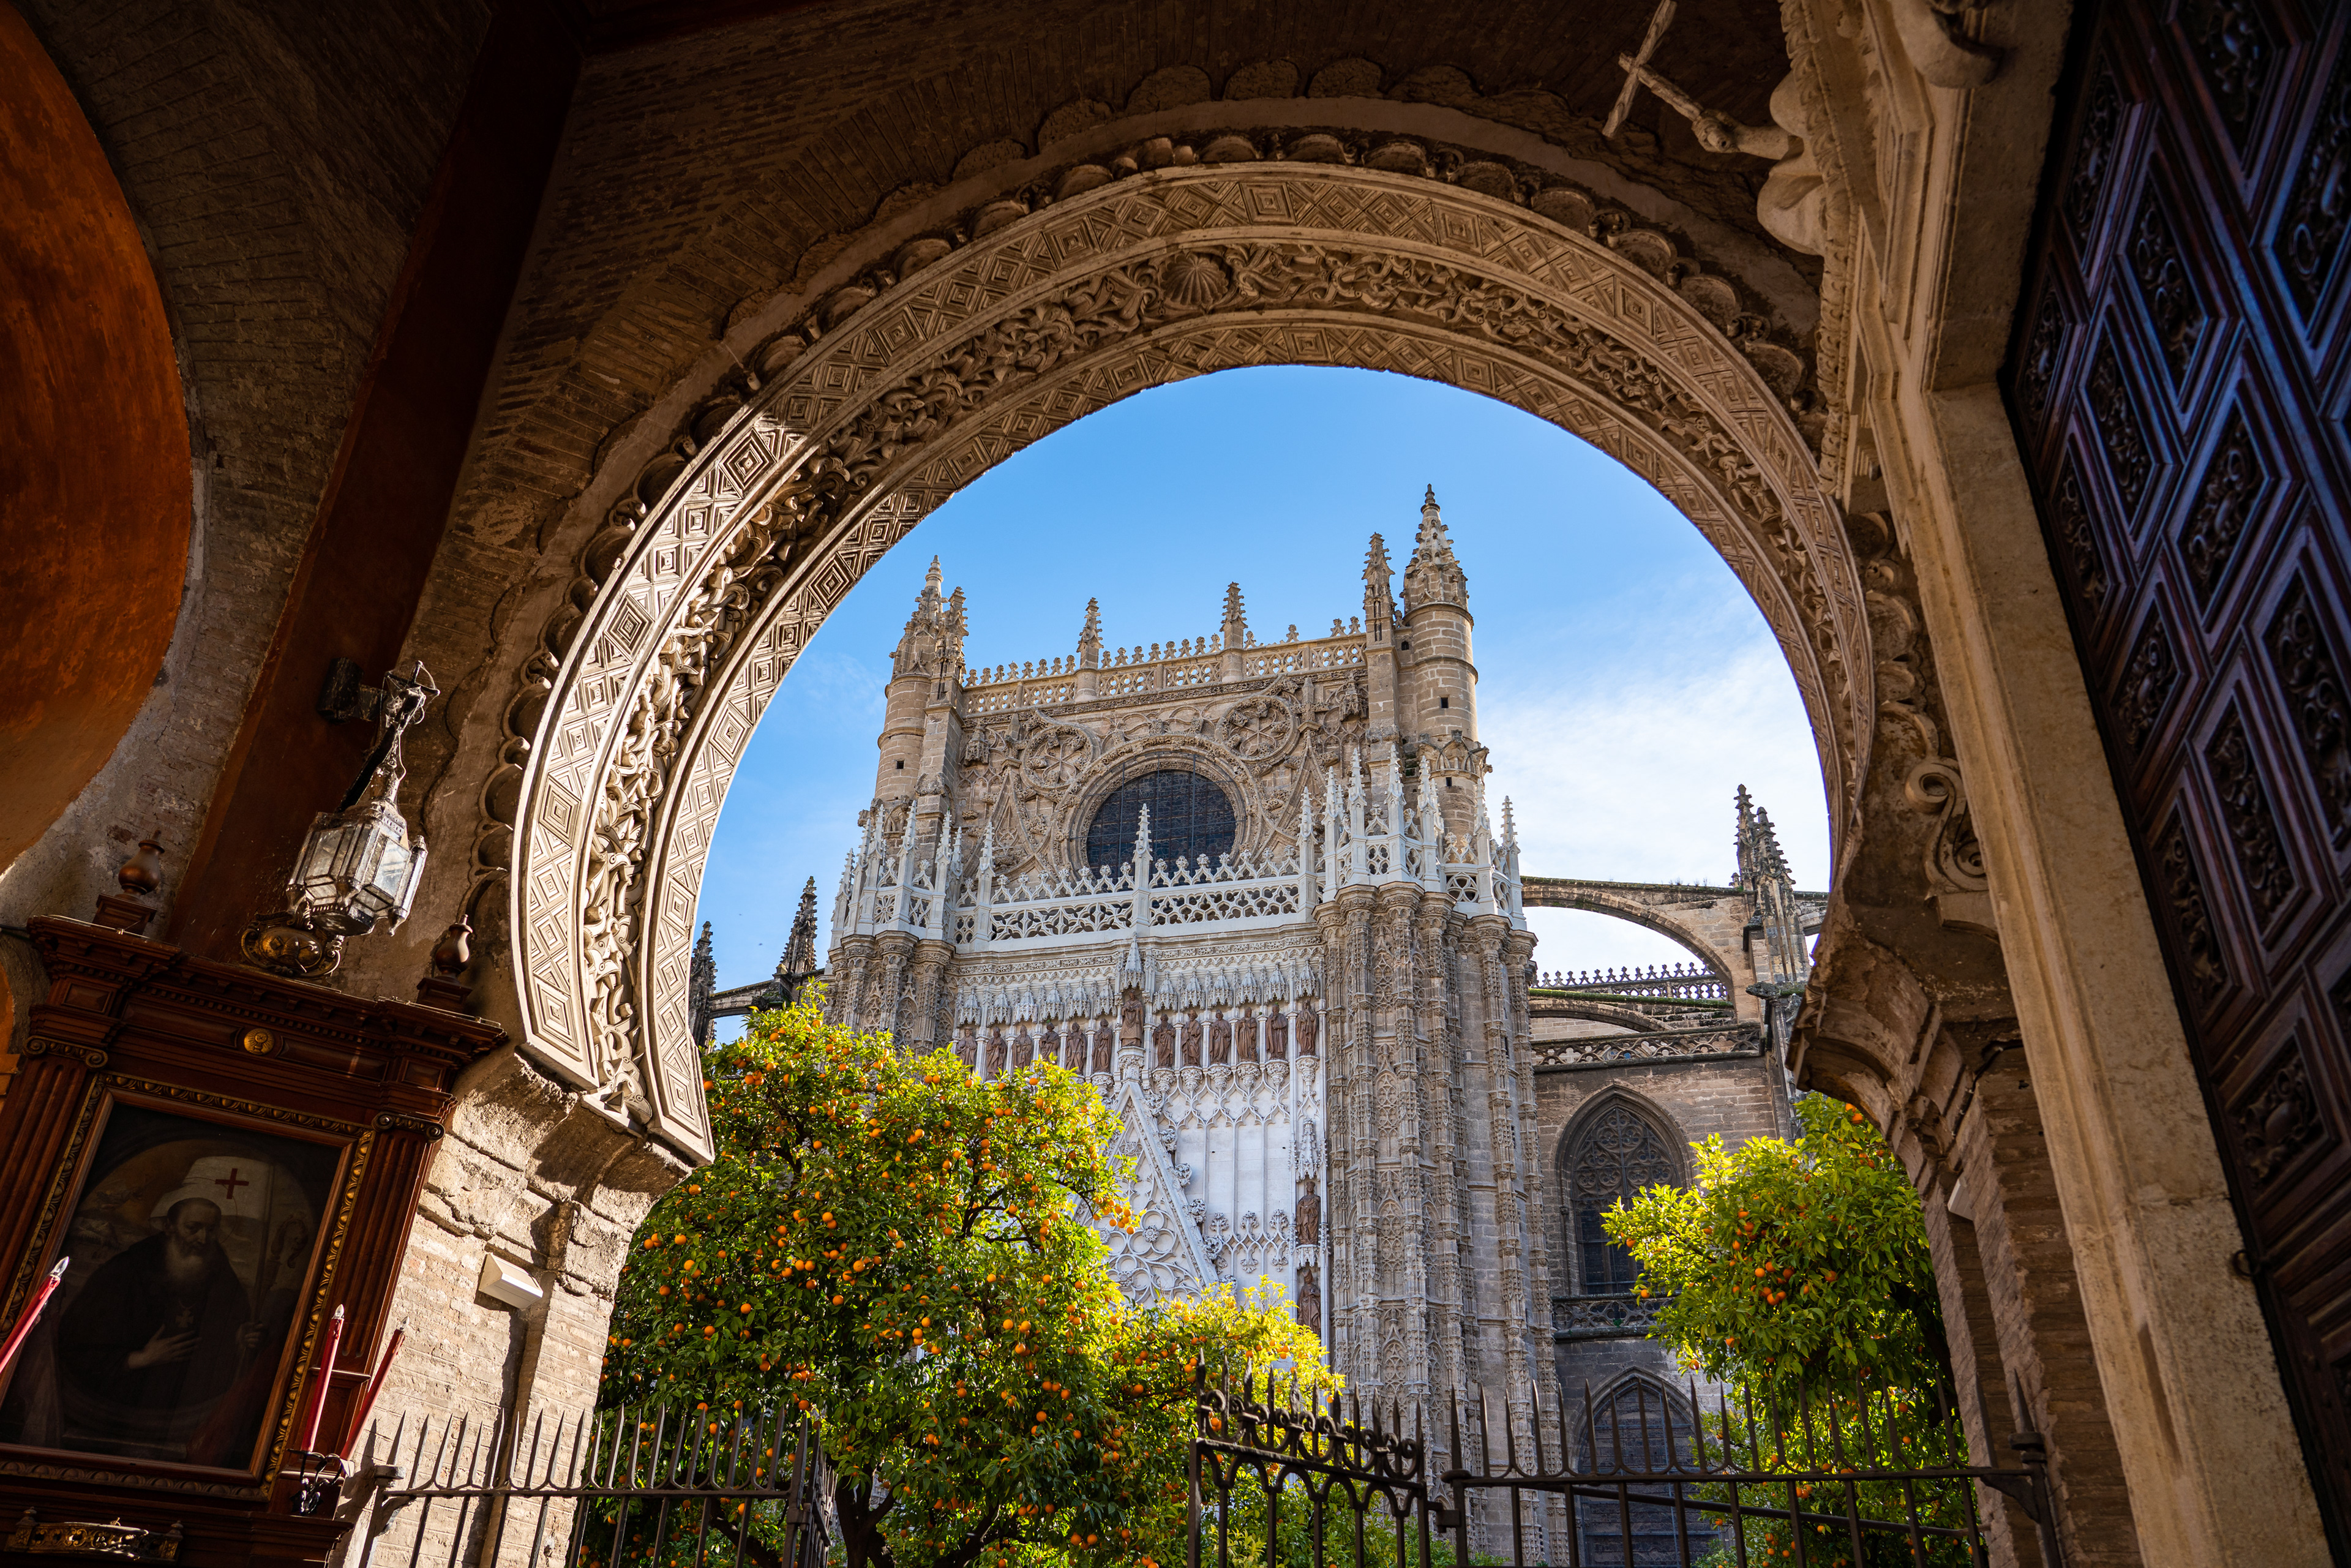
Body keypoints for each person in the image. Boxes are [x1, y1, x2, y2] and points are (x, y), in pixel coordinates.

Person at [54, 1199, 262, 1456]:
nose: (203, 1238)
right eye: (193, 1228)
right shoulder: (125, 1271)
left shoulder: (218, 1268)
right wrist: (137, 1359)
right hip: (117, 1411)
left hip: (184, 1416)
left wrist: (239, 1337)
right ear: (169, 1226)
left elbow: (228, 1320)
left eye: (211, 1230)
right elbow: (75, 1343)